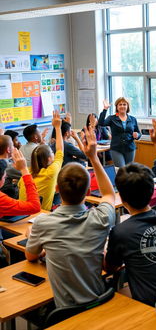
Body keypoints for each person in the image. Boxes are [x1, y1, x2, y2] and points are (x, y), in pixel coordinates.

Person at [25, 126, 116, 308]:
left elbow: (30, 256)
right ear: (89, 191)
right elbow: (109, 195)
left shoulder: (43, 223)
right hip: (100, 299)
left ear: (57, 189)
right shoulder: (101, 218)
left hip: (65, 310)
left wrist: (40, 242)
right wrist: (93, 158)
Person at [105, 119, 156, 307]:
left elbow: (110, 267)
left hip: (151, 306)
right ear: (151, 193)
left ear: (122, 200)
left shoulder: (121, 232)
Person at [18, 111, 64, 211]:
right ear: (48, 159)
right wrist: (57, 127)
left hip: (21, 215)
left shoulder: (26, 174)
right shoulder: (50, 172)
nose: (54, 153)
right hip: (39, 216)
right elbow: (60, 149)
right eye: (52, 152)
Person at [98, 97, 141, 167]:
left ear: (127, 106)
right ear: (117, 107)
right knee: (121, 170)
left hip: (130, 148)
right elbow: (101, 123)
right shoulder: (112, 118)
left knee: (128, 171)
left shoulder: (133, 119)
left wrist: (137, 135)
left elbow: (138, 133)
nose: (122, 106)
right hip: (116, 149)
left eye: (124, 104)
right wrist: (105, 109)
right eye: (120, 104)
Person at [0, 148, 40, 217]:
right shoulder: (1, 200)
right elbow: (35, 207)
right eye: (4, 177)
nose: (6, 176)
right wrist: (24, 169)